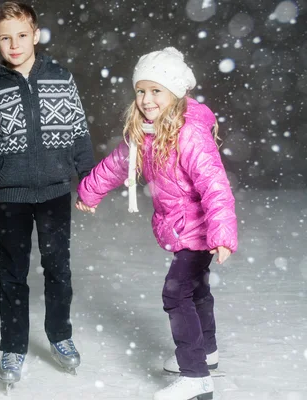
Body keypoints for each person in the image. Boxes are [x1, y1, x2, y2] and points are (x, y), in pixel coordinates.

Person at [76, 47, 237, 400]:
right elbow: (118, 163)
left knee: (176, 292)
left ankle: (195, 375)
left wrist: (222, 234)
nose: (147, 99)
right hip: (180, 228)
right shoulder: (144, 132)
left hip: (199, 231)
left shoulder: (190, 135)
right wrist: (90, 191)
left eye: (156, 91)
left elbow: (215, 185)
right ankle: (206, 351)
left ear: (176, 93)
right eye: (141, 91)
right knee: (196, 290)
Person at [0, 1, 95, 388]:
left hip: (55, 191)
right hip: (12, 194)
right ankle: (13, 347)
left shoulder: (60, 77)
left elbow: (78, 133)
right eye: (6, 38)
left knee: (58, 269)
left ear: (35, 35)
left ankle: (60, 335)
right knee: (13, 275)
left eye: (22, 35)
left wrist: (88, 181)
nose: (15, 44)